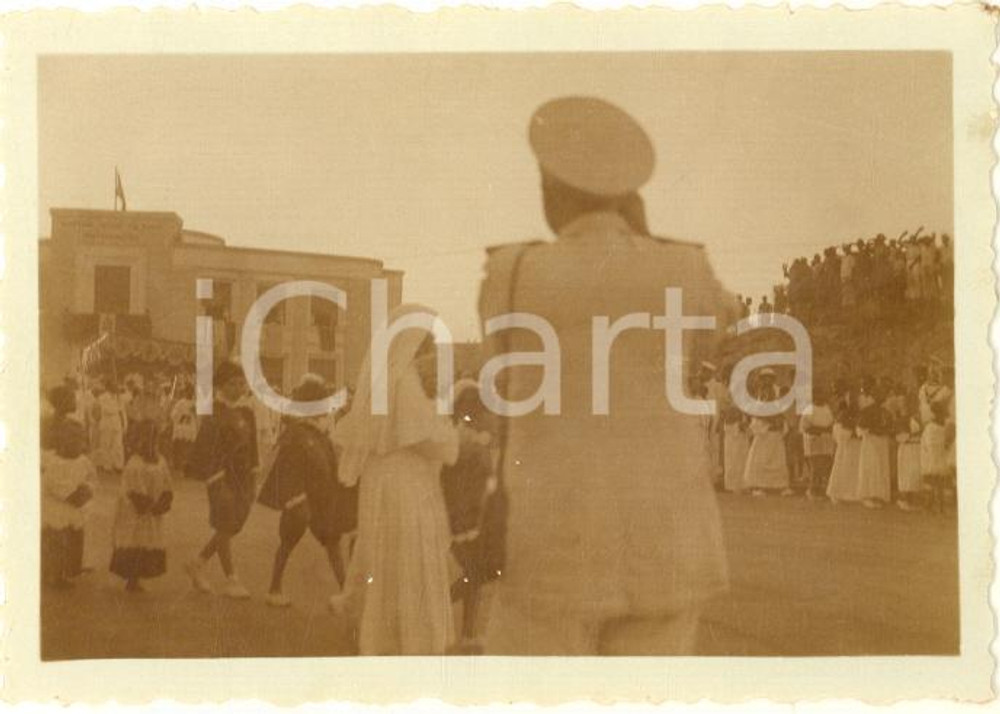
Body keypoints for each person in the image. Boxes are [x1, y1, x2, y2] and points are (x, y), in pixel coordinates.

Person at [479, 96, 729, 655]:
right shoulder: (684, 265)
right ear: (628, 196)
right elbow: (721, 325)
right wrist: (650, 238)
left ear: (552, 191)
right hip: (665, 535)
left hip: (550, 533)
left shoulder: (511, 270)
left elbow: (496, 350)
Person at [330, 306, 459, 655]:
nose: (432, 356)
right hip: (404, 483)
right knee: (408, 556)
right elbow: (428, 439)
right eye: (429, 346)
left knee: (386, 553)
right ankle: (410, 640)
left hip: (389, 479)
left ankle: (385, 632)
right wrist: (450, 436)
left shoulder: (388, 381)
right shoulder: (403, 382)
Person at [258, 375, 357, 607]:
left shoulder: (318, 434)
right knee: (287, 544)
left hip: (323, 500)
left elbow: (330, 464)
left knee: (333, 542)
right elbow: (285, 469)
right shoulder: (295, 434)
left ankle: (345, 591)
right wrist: (295, 500)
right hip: (300, 502)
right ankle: (274, 589)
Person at [184, 361, 258, 598]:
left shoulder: (246, 413)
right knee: (225, 523)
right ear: (221, 386)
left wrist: (254, 478)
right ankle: (231, 579)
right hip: (221, 478)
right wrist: (216, 480)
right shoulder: (213, 412)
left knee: (234, 525)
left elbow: (253, 447)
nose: (238, 388)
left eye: (241, 383)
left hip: (243, 479)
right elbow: (206, 449)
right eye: (232, 384)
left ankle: (197, 562)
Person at [439, 378, 497, 652]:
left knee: (476, 574)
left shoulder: (467, 437)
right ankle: (438, 608)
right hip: (462, 517)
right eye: (480, 409)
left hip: (472, 516)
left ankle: (468, 633)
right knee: (476, 573)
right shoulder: (463, 439)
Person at [110, 409, 173, 592]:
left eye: (154, 440)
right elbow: (133, 490)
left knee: (147, 541)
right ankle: (131, 578)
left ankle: (138, 578)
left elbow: (167, 484)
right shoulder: (134, 464)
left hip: (152, 511)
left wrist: (164, 500)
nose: (150, 444)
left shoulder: (161, 461)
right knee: (134, 540)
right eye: (146, 440)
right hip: (135, 511)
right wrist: (147, 505)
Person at [41, 385, 95, 589]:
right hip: (55, 477)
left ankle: (69, 567)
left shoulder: (73, 423)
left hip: (73, 477)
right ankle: (52, 572)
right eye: (71, 397)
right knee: (54, 532)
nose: (75, 401)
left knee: (73, 528)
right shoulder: (48, 424)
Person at [742, 370, 791, 497]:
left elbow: (780, 410)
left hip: (775, 430)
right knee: (761, 458)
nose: (767, 381)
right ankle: (758, 486)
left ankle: (780, 486)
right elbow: (758, 413)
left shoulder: (777, 393)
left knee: (778, 458)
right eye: (765, 378)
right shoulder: (760, 395)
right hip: (764, 429)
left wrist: (779, 421)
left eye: (770, 378)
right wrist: (769, 420)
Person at [855, 387, 892, 508]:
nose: (881, 398)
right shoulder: (867, 410)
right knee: (871, 466)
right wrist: (872, 430)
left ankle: (879, 495)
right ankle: (868, 495)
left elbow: (890, 427)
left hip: (882, 442)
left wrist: (884, 431)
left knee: (881, 467)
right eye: (878, 395)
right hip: (870, 441)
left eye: (883, 395)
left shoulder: (886, 412)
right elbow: (860, 428)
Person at [800, 387, 835, 499]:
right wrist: (821, 430)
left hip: (826, 441)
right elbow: (806, 427)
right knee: (815, 466)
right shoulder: (808, 409)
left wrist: (825, 430)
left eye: (823, 394)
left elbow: (831, 424)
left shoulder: (827, 408)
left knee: (824, 466)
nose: (822, 396)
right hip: (813, 441)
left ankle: (820, 489)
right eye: (819, 394)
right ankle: (812, 490)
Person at [921, 400, 953, 514]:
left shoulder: (931, 426)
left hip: (935, 454)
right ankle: (936, 506)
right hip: (938, 454)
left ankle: (932, 506)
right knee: (938, 481)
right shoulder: (942, 425)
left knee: (933, 480)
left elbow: (927, 443)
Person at [826, 406, 861, 505]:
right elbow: (841, 437)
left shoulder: (852, 422)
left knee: (853, 471)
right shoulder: (838, 426)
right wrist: (852, 432)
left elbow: (858, 433)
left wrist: (854, 431)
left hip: (855, 449)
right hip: (844, 450)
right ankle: (836, 493)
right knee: (841, 469)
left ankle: (852, 493)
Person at [92, 379, 125, 474]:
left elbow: (122, 411)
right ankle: (107, 466)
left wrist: (124, 423)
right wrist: (118, 406)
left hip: (116, 424)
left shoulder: (118, 397)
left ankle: (118, 465)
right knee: (106, 445)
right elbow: (108, 410)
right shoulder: (102, 397)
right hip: (106, 424)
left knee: (118, 445)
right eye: (114, 386)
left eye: (116, 386)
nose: (116, 387)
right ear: (109, 387)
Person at [896, 413, 923, 512]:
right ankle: (903, 500)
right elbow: (899, 436)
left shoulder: (920, 417)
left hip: (916, 448)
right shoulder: (902, 419)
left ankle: (911, 500)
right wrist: (914, 434)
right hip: (907, 449)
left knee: (914, 474)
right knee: (907, 475)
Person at [169, 385, 198, 473]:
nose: (189, 393)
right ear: (185, 392)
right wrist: (182, 416)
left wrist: (195, 412)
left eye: (191, 391)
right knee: (180, 447)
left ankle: (187, 468)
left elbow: (199, 417)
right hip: (181, 427)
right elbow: (173, 414)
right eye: (188, 391)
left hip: (191, 428)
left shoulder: (195, 403)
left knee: (189, 448)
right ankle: (178, 466)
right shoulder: (180, 402)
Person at [721, 405, 749, 493]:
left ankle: (743, 485)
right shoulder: (731, 409)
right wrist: (739, 426)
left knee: (742, 461)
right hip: (733, 440)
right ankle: (733, 486)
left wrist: (745, 427)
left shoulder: (744, 410)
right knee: (733, 462)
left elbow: (746, 426)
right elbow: (728, 425)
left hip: (741, 439)